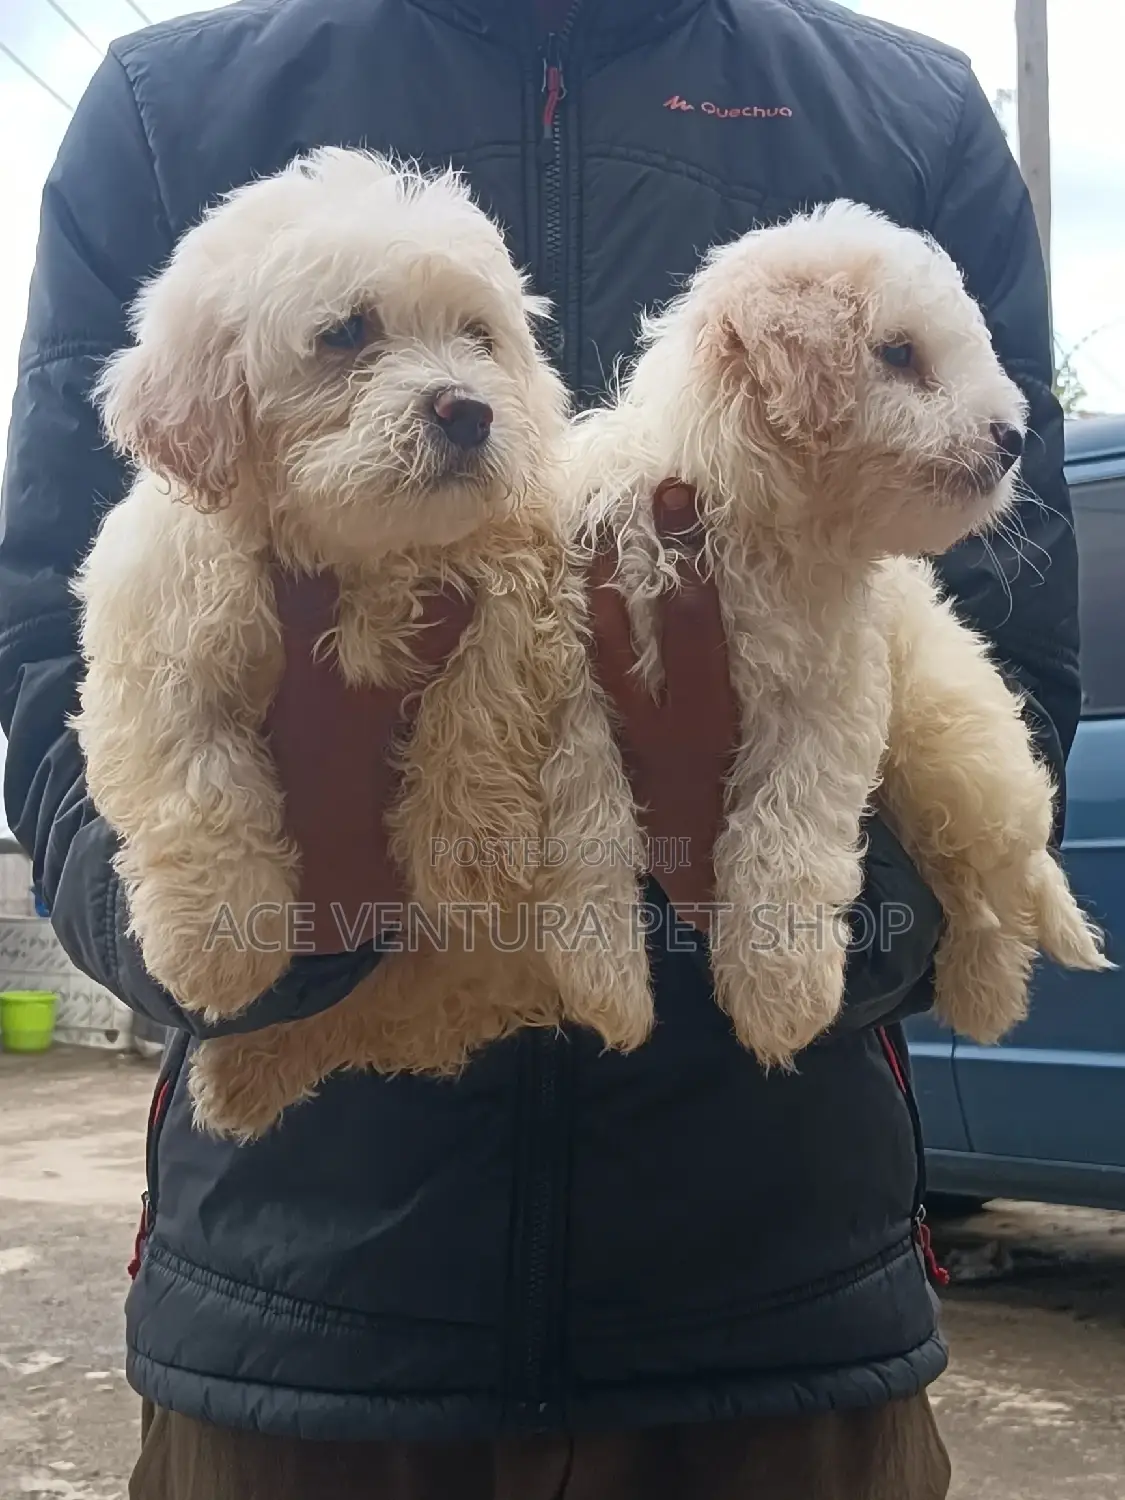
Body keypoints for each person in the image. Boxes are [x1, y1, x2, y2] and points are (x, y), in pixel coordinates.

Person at [0, 1, 1079, 1496]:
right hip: (300, 1328)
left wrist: (735, 863)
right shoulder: (167, 107)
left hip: (778, 1311)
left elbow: (1000, 654)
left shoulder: (911, 114)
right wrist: (278, 913)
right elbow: (54, 647)